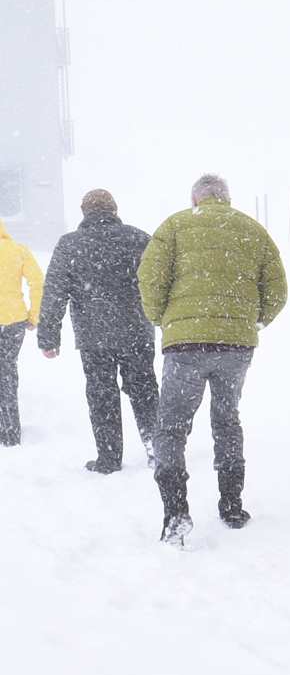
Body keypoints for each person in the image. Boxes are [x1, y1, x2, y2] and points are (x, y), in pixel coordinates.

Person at [139, 174, 288, 543]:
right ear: (226, 198)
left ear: (196, 199)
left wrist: (162, 318)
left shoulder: (174, 226)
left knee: (171, 427)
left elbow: (150, 278)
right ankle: (232, 505)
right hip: (235, 346)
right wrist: (253, 321)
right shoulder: (252, 231)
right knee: (226, 419)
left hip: (185, 345)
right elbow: (277, 289)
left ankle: (175, 511)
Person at [37, 189, 160, 474]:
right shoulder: (139, 239)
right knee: (144, 390)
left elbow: (54, 293)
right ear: (114, 210)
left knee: (101, 394)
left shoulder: (70, 245)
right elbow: (159, 281)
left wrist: (48, 337)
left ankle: (109, 458)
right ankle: (157, 449)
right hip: (136, 331)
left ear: (84, 212)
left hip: (94, 337)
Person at [0, 217, 45, 448]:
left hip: (11, 320)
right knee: (6, 371)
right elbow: (37, 282)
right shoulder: (18, 250)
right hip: (14, 320)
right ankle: (9, 431)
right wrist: (34, 315)